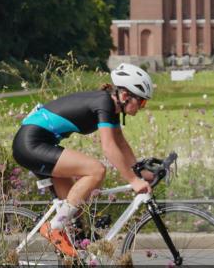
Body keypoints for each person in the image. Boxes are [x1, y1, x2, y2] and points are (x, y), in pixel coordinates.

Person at [12, 63, 154, 257]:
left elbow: (121, 144)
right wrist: (133, 180)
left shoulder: (111, 108)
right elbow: (109, 147)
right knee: (96, 170)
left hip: (42, 144)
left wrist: (140, 172)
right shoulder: (104, 103)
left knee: (75, 219)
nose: (142, 107)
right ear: (125, 95)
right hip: (31, 145)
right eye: (142, 102)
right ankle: (54, 228)